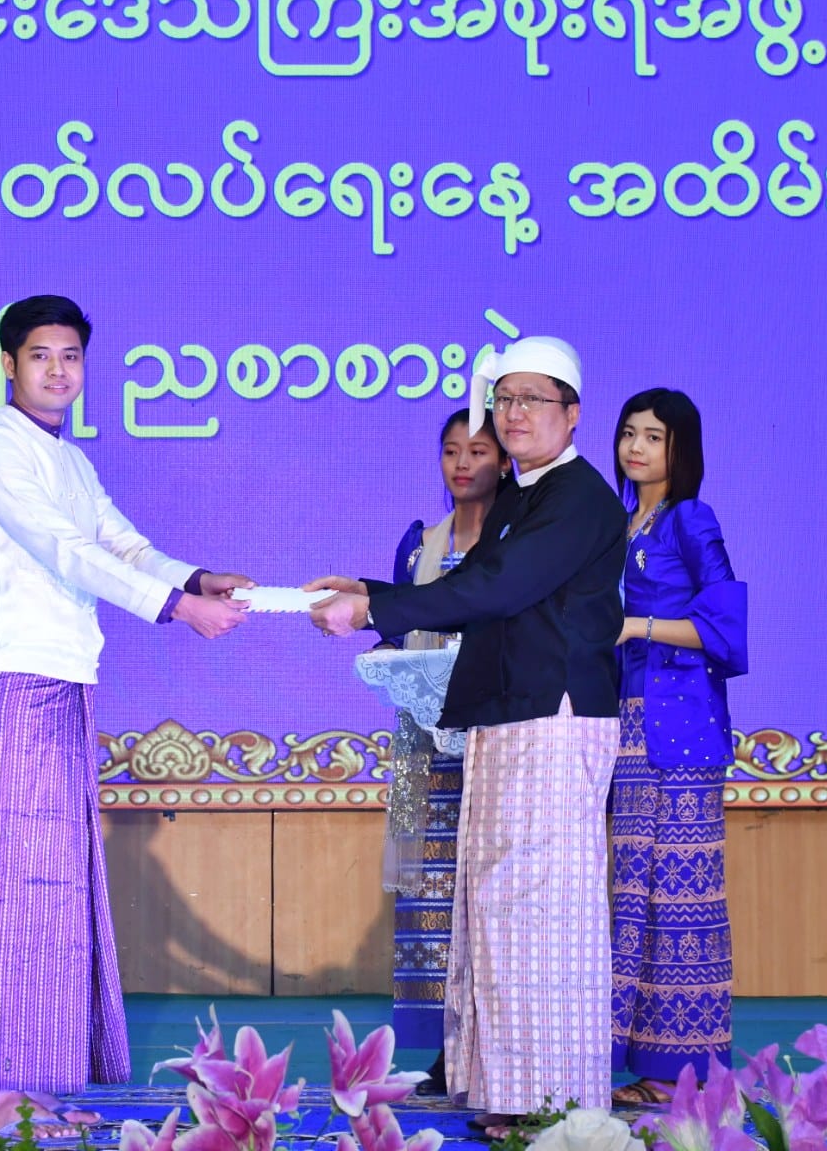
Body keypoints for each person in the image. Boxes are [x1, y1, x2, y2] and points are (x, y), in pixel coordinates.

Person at [308, 336, 625, 1133]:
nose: (514, 414)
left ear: (572, 414)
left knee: (538, 912)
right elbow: (475, 584)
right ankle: (503, 1091)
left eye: (533, 400)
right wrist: (370, 590)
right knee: (494, 908)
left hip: (552, 718)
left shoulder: (579, 497)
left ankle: (549, 1103)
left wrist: (374, 611)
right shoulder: (523, 494)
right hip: (506, 712)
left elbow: (502, 586)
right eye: (504, 399)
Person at [0, 294, 253, 1109]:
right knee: (14, 890)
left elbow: (120, 542)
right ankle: (5, 1096)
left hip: (63, 686)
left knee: (55, 890)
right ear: (7, 364)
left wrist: (194, 578)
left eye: (71, 356)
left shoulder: (71, 461)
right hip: (13, 686)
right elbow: (66, 551)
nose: (58, 370)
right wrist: (178, 609)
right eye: (40, 355)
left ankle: (38, 1088)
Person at [606, 388, 747, 1106]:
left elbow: (725, 625)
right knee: (634, 892)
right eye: (629, 433)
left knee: (680, 898)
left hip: (681, 726)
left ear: (680, 448)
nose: (636, 448)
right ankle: (645, 1064)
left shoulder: (691, 518)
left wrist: (640, 627)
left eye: (653, 437)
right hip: (625, 722)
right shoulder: (617, 521)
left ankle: (680, 1073)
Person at [381, 409, 510, 1095]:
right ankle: (439, 1051)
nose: (463, 463)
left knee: (486, 894)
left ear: (505, 461)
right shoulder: (419, 545)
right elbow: (398, 628)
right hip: (422, 745)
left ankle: (489, 1044)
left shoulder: (518, 546)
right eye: (451, 451)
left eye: (478, 451)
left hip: (493, 740)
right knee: (427, 897)